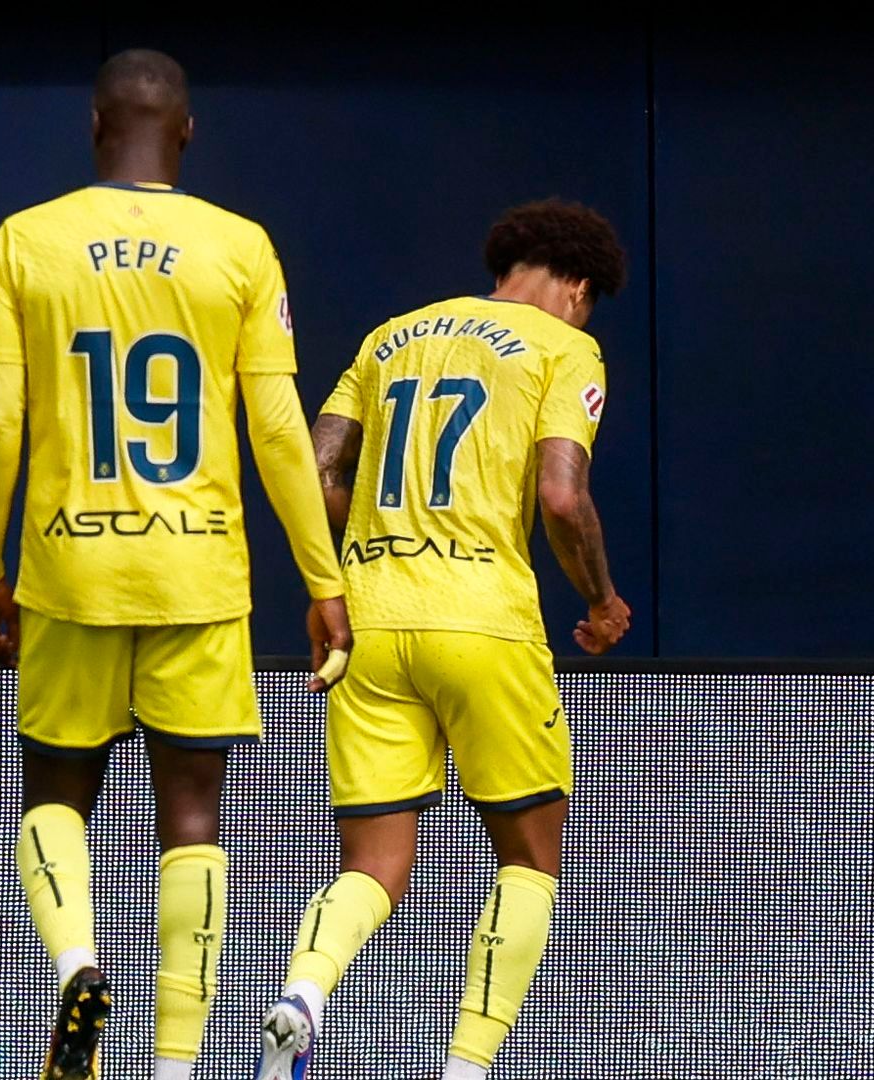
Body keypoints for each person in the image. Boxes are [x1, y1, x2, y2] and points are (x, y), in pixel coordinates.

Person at [0, 48, 350, 1080]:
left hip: (67, 571)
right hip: (199, 576)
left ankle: (77, 967)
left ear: (96, 126)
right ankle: (178, 1064)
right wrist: (323, 581)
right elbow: (276, 427)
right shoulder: (239, 247)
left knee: (54, 800)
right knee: (192, 820)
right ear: (186, 134)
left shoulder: (27, 241)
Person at [256, 200, 632, 1080]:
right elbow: (561, 496)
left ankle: (301, 997)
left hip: (371, 621)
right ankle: (466, 1064)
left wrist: (355, 559)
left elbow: (313, 471)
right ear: (578, 286)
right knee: (531, 860)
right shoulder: (565, 347)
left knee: (373, 865)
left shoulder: (392, 337)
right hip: (485, 621)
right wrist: (602, 599)